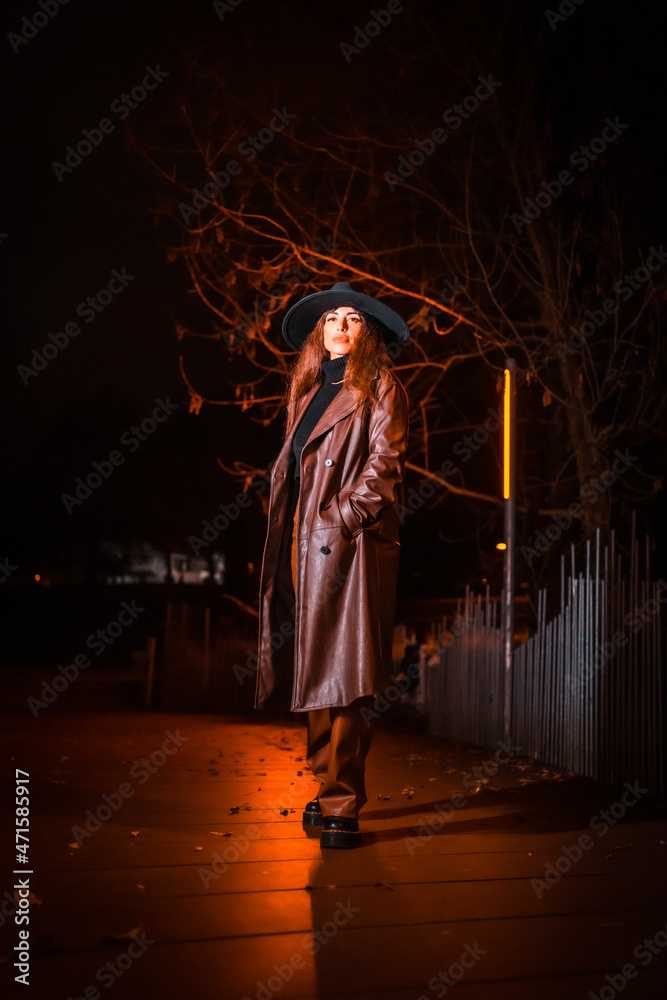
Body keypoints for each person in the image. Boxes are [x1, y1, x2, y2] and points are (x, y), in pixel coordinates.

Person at [255, 281, 410, 848]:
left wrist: (341, 518)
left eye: (353, 319)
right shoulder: (306, 393)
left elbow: (385, 465)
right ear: (318, 334)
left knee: (344, 676)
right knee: (312, 668)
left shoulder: (380, 386)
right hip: (303, 547)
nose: (341, 327)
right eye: (331, 320)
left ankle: (344, 801)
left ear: (366, 331)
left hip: (351, 545)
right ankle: (325, 785)